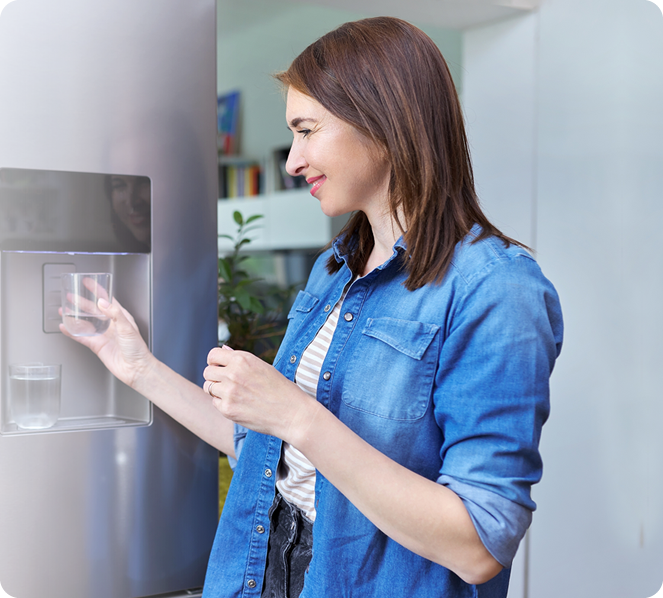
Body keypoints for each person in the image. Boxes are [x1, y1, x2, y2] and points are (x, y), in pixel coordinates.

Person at [61, 16, 563, 598]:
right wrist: (137, 367)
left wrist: (299, 415)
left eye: (307, 129)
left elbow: (477, 545)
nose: (292, 160)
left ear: (384, 122)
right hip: (261, 571)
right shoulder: (336, 268)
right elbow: (267, 449)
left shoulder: (497, 289)